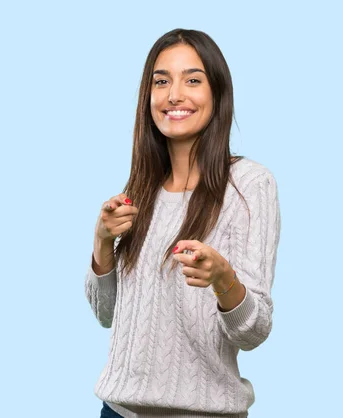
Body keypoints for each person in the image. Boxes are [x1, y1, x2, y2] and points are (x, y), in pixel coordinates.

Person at [85, 28, 281, 418]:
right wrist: (102, 241)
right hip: (117, 411)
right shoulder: (139, 189)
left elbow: (254, 331)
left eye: (193, 79)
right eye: (162, 81)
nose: (174, 94)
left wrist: (224, 279)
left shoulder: (248, 185)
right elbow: (107, 315)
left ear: (218, 94)